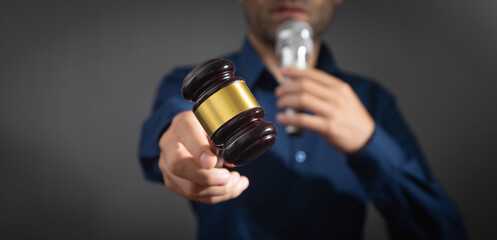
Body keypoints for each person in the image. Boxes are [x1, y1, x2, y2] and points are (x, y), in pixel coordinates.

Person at [139, 0, 467, 239]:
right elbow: (172, 123)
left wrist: (371, 144)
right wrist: (176, 142)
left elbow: (442, 231)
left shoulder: (372, 102)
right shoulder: (194, 89)